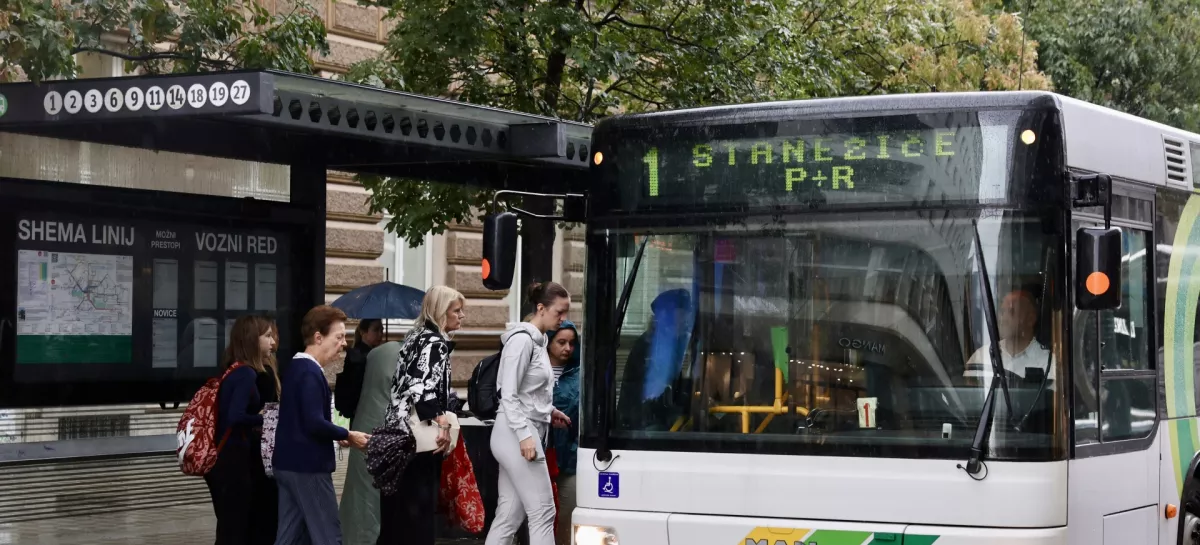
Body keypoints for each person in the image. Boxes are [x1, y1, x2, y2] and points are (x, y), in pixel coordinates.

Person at [375, 285, 468, 545]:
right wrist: (443, 423)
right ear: (441, 312)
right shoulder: (436, 343)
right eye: (456, 311)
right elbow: (421, 388)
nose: (462, 316)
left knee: (397, 513)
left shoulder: (415, 336)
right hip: (419, 436)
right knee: (418, 512)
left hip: (396, 433)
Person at [485, 282, 573, 545]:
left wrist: (550, 411)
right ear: (541, 308)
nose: (564, 318)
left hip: (517, 431)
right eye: (560, 312)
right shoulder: (523, 341)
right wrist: (525, 435)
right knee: (543, 511)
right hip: (517, 432)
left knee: (509, 515)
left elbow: (526, 394)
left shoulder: (536, 341)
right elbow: (507, 393)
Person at [275, 305, 371, 545]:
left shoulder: (296, 367)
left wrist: (335, 432)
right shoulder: (309, 372)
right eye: (339, 337)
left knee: (289, 537)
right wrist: (347, 434)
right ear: (318, 337)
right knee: (329, 536)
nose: (345, 343)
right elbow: (313, 422)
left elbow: (305, 419)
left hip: (288, 464)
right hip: (309, 466)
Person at [205, 314, 280, 545]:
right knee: (235, 528)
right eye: (267, 336)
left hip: (225, 459)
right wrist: (263, 418)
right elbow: (235, 417)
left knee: (231, 526)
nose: (273, 342)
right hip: (233, 461)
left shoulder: (233, 369)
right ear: (251, 339)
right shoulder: (247, 373)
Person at [338, 339, 402, 545]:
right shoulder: (396, 357)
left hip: (363, 424)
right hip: (379, 432)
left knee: (359, 493)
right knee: (374, 497)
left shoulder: (373, 356)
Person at [964, 289, 1057, 391]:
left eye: (1011, 312)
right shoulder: (982, 356)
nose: (1003, 319)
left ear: (1030, 319)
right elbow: (968, 398)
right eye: (1003, 312)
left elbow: (1051, 402)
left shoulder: (1048, 363)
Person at [547, 320, 580, 545]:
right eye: (561, 342)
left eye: (572, 343)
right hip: (537, 456)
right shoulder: (535, 371)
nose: (567, 348)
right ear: (548, 343)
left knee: (567, 520)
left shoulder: (580, 376)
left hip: (570, 458)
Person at [337, 319, 385, 424]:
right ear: (363, 332)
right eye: (376, 330)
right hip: (361, 410)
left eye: (382, 330)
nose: (380, 334)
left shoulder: (375, 353)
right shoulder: (357, 355)